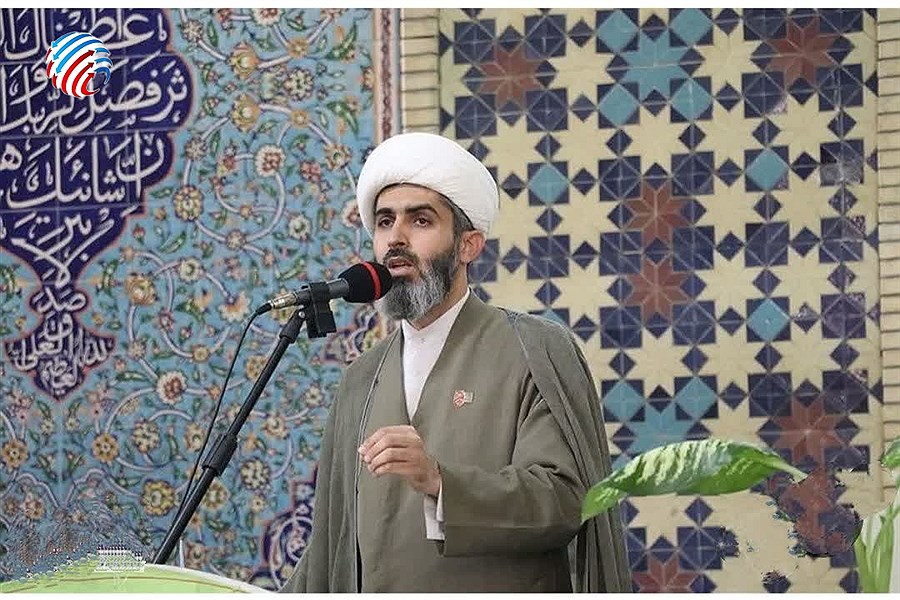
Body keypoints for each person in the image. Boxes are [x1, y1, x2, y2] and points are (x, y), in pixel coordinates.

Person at [280, 132, 630, 593]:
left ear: (469, 245)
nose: (396, 238)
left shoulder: (535, 349)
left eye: (420, 220)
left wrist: (440, 481)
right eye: (384, 222)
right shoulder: (360, 379)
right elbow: (332, 545)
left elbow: (566, 501)